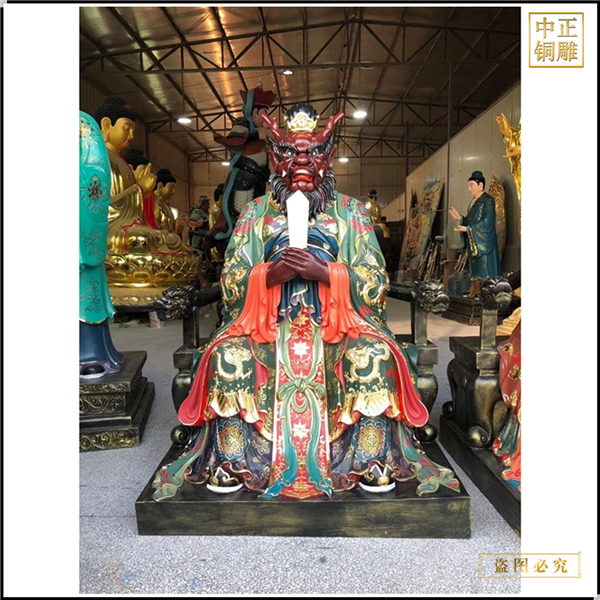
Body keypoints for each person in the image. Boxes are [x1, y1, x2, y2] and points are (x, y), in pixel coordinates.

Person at [153, 104, 459, 501]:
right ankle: (235, 458)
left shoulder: (351, 213)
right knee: (230, 357)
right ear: (274, 158)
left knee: (371, 355)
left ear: (328, 157)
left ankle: (369, 456)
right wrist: (267, 276)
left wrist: (328, 273)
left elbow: (375, 279)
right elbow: (230, 281)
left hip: (339, 322)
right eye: (290, 153)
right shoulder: (255, 214)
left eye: (313, 153)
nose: (302, 162)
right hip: (266, 323)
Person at [204, 81, 275, 254]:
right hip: (244, 179)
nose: (266, 117)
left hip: (259, 180)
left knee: (256, 214)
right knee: (241, 214)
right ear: (255, 112)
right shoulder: (243, 123)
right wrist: (256, 135)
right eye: (264, 112)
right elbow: (235, 141)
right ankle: (233, 248)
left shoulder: (265, 133)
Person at [79, 111, 124, 377]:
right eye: (126, 128)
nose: (130, 135)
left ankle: (88, 351)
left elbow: (95, 184)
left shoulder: (82, 126)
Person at [449, 170, 502, 279]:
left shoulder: (488, 200)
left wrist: (468, 229)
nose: (469, 189)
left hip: (483, 243)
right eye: (468, 186)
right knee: (475, 273)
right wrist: (460, 218)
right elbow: (470, 221)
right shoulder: (474, 202)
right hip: (474, 242)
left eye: (471, 186)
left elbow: (487, 222)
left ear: (481, 185)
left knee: (485, 272)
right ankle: (475, 287)